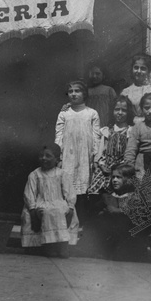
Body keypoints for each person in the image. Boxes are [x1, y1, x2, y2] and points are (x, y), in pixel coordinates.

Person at [21, 143, 79, 258]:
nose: (44, 158)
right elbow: (29, 194)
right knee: (48, 212)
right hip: (40, 203)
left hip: (59, 202)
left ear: (57, 159)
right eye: (41, 156)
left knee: (58, 211)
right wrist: (32, 210)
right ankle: (48, 246)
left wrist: (71, 207)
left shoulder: (62, 174)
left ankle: (61, 246)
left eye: (48, 156)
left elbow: (70, 193)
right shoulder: (34, 175)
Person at [55, 80, 100, 221]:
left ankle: (82, 220)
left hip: (85, 156)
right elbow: (58, 136)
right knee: (68, 187)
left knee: (83, 185)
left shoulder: (92, 113)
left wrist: (95, 155)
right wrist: (60, 156)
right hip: (68, 155)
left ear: (84, 94)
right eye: (71, 91)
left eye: (77, 91)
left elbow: (96, 136)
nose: (73, 94)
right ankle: (67, 220)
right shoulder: (64, 114)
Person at [92, 164, 140, 260]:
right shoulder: (108, 196)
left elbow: (137, 211)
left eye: (118, 177)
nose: (114, 180)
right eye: (113, 177)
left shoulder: (133, 196)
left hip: (126, 232)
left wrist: (118, 211)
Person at [88, 96, 130, 195]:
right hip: (105, 168)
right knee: (96, 192)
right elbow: (101, 151)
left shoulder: (130, 131)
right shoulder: (106, 131)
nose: (120, 112)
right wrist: (101, 165)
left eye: (124, 110)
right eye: (117, 109)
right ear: (112, 111)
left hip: (121, 168)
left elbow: (130, 153)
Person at [120, 53, 151, 125]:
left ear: (148, 71)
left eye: (143, 68)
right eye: (136, 67)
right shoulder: (126, 92)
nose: (139, 71)